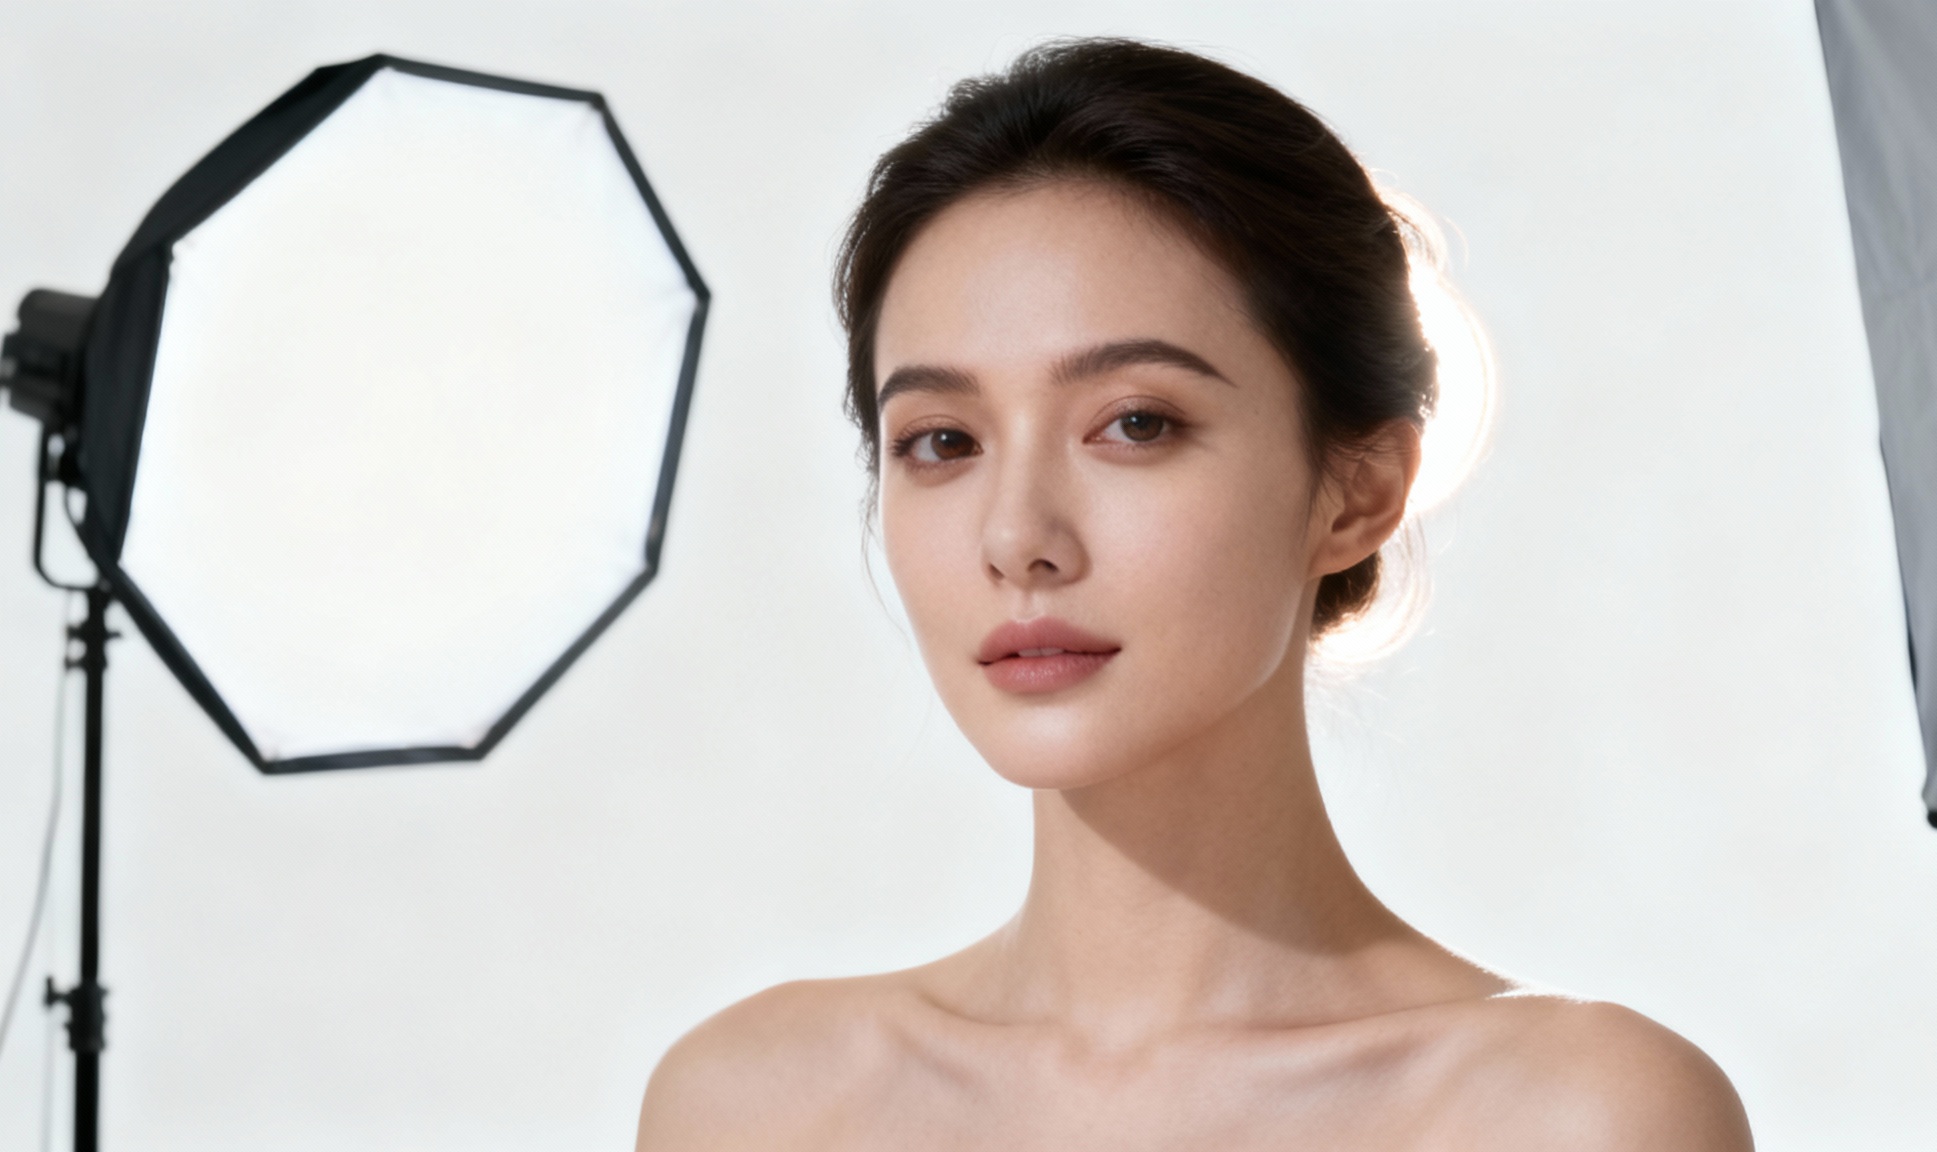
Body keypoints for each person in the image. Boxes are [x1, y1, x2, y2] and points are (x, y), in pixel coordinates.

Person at [638, 38, 1752, 1151]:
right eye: (941, 440)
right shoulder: (753, 1108)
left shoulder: (1572, 1116)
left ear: (1355, 493)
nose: (1018, 537)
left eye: (1135, 423)